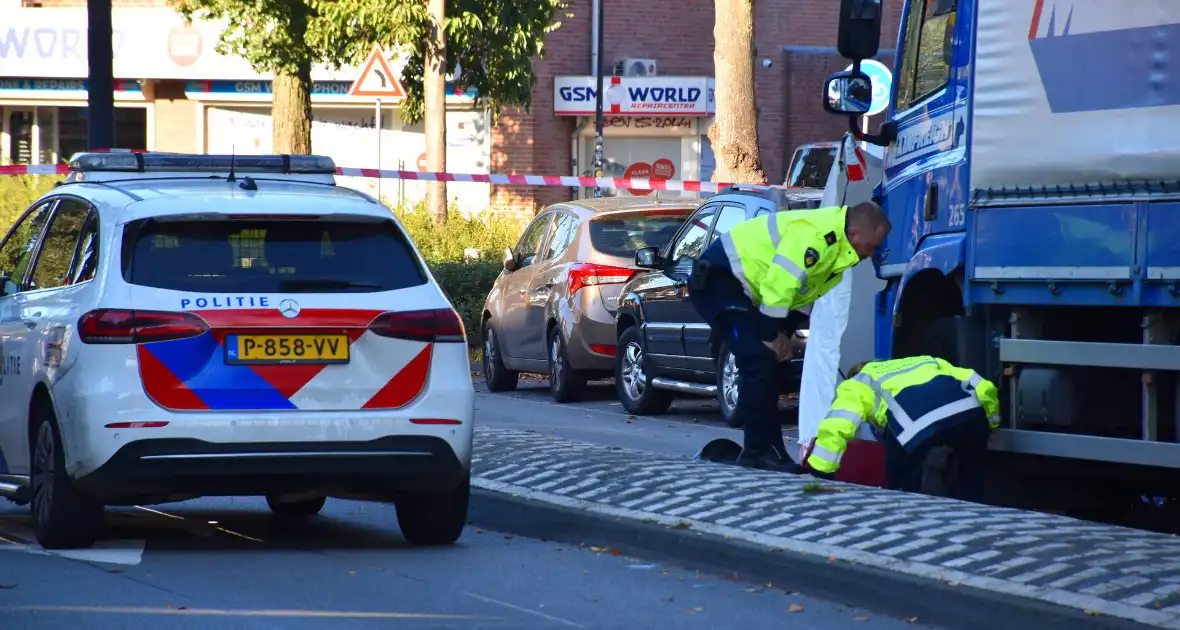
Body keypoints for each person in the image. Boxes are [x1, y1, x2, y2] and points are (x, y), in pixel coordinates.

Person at [689, 201, 891, 473]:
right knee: (758, 360)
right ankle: (755, 453)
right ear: (854, 233)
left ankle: (770, 452)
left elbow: (802, 294)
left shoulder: (839, 250)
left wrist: (786, 335)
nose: (873, 253)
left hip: (745, 290)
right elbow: (780, 285)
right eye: (873, 245)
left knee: (772, 363)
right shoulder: (817, 237)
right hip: (719, 280)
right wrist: (771, 334)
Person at [806, 356, 1001, 502]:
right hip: (970, 414)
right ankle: (974, 512)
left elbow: (837, 425)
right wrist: (992, 421)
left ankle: (908, 511)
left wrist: (821, 474)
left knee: (902, 478)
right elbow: (980, 383)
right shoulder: (925, 361)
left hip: (916, 425)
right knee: (972, 471)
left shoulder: (858, 382)